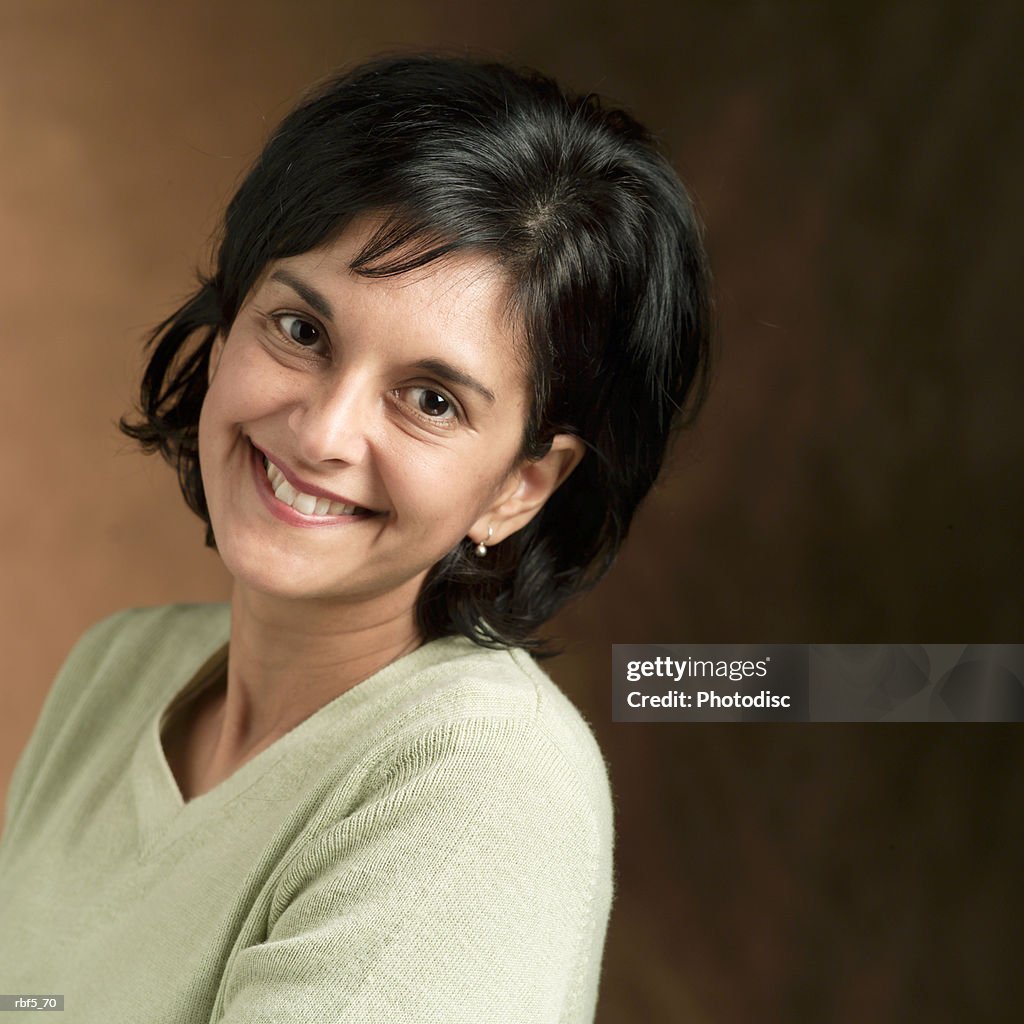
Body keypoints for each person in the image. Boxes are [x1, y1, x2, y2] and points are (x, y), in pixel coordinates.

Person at [0, 52, 711, 1022]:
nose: (323, 432)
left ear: (519, 484)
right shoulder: (115, 671)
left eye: (429, 399)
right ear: (228, 320)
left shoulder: (481, 785)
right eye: (300, 330)